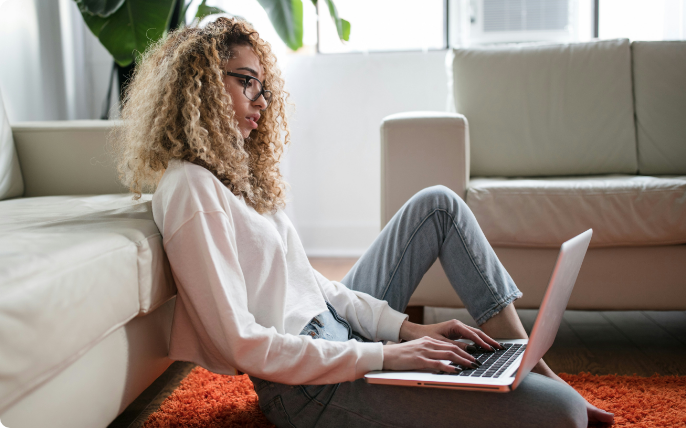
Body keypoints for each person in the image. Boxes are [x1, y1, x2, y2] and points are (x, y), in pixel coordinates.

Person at [113, 17, 615, 427]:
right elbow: (240, 342)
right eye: (247, 82)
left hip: (340, 338)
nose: (262, 102)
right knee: (563, 416)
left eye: (264, 87)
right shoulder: (189, 188)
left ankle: (526, 363)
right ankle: (544, 386)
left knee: (438, 204)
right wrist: (383, 356)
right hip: (306, 390)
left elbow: (314, 286)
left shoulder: (236, 179)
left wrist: (404, 330)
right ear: (199, 86)